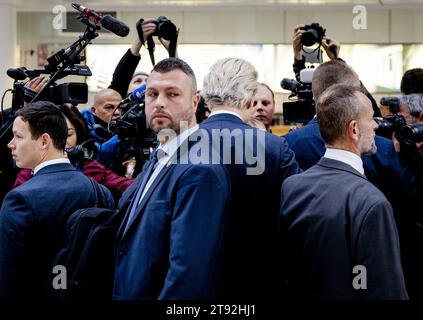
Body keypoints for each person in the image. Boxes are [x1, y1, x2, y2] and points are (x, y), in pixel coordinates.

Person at [283, 59, 415, 296]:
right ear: (354, 129)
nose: (376, 125)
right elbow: (386, 288)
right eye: (370, 118)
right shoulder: (372, 201)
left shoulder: (291, 187)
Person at [112, 58, 230, 300]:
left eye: (172, 94)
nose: (159, 103)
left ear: (195, 101)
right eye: (152, 94)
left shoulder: (199, 170)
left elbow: (188, 274)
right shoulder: (160, 156)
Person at [200, 57, 300, 299]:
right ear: (248, 96)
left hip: (197, 280)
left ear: (205, 97)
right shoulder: (274, 147)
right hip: (261, 278)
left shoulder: (177, 145)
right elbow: (299, 213)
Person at [0, 101, 115, 299]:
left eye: (18, 136)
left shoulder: (20, 199)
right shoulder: (102, 192)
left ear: (44, 141)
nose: (11, 143)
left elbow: (9, 277)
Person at [13, 104, 133, 199]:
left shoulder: (90, 167)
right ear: (44, 139)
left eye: (68, 134)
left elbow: (125, 186)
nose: (62, 141)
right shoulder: (27, 173)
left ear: (78, 135)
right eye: (55, 135)